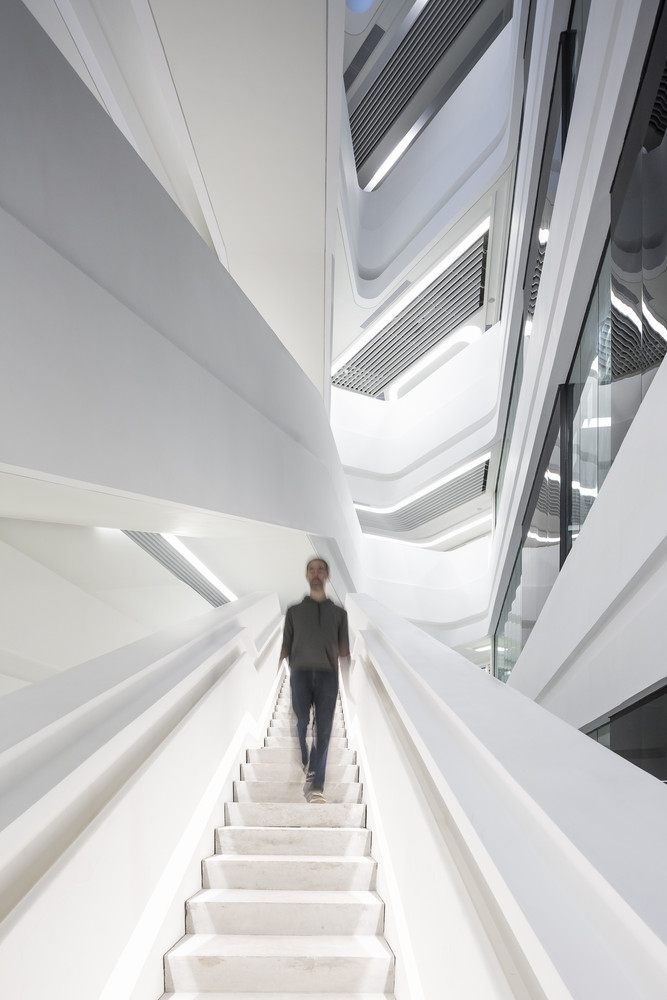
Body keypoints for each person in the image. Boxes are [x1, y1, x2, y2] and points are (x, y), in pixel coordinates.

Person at [278, 557, 349, 803]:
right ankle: (307, 759)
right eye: (312, 570)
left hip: (329, 675)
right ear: (307, 575)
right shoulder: (294, 611)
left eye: (321, 570)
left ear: (327, 576)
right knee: (301, 723)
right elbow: (285, 646)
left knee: (325, 729)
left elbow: (344, 652)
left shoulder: (339, 614)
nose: (316, 573)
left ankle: (317, 785)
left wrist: (350, 683)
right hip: (300, 672)